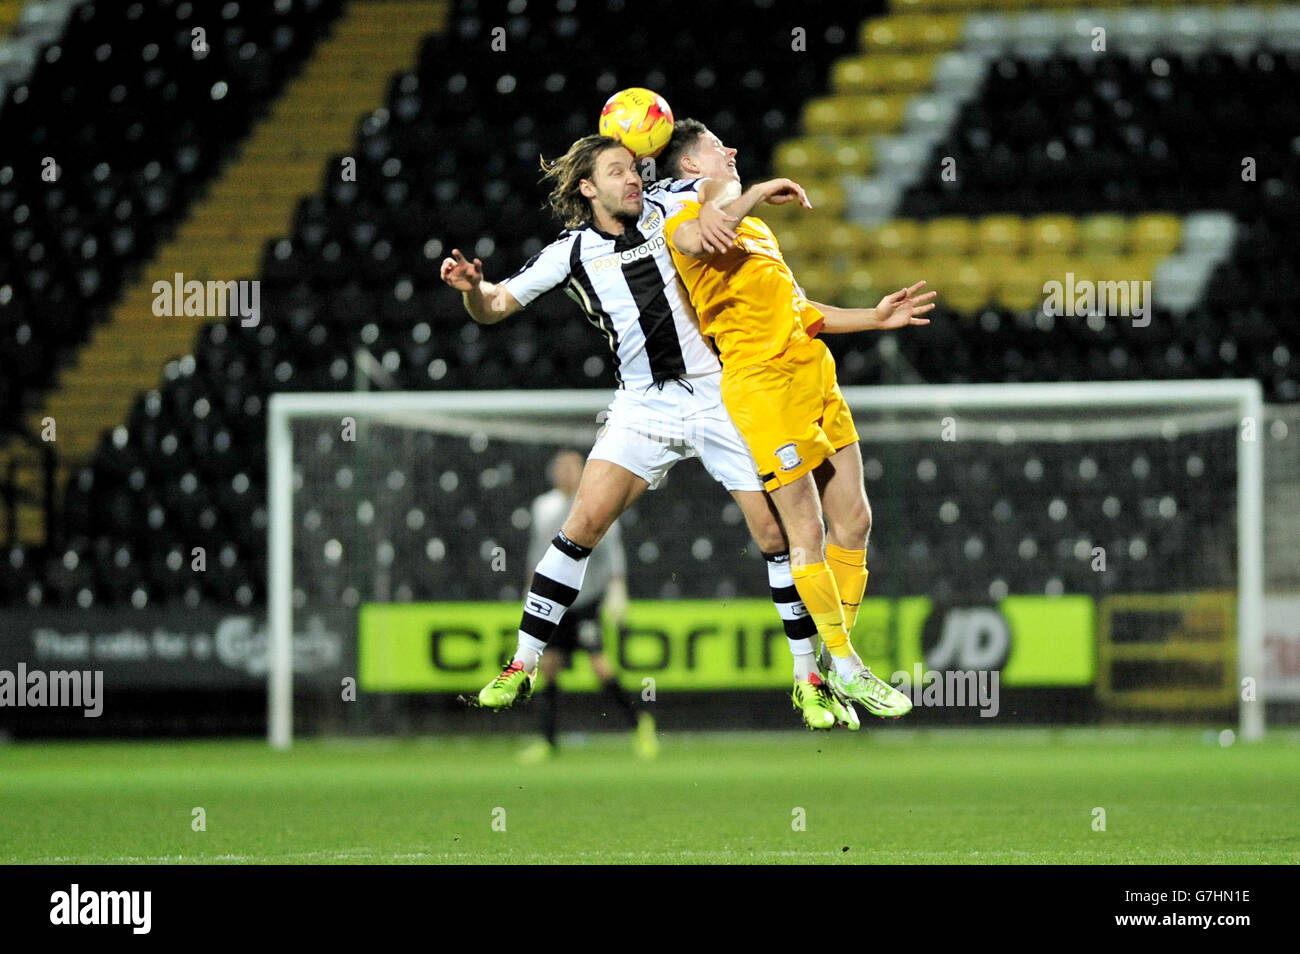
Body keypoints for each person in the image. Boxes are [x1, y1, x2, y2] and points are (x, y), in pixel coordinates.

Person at [440, 134, 855, 730]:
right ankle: (523, 663)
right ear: (588, 188)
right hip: (642, 406)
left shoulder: (669, 205)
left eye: (635, 168)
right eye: (616, 172)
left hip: (717, 391)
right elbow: (498, 305)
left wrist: (742, 190)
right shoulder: (570, 252)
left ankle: (807, 679)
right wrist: (473, 291)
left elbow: (717, 187)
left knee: (772, 534)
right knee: (580, 524)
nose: (633, 178)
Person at [657, 119, 937, 718]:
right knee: (803, 532)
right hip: (761, 387)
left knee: (855, 520)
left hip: (814, 374)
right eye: (715, 147)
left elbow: (799, 308)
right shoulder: (679, 224)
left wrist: (874, 317)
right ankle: (845, 664)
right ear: (689, 166)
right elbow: (705, 228)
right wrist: (753, 188)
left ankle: (840, 660)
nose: (730, 149)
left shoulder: (755, 229)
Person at [518, 449, 657, 761]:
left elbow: (612, 549)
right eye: (560, 467)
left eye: (572, 467)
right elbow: (536, 552)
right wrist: (531, 591)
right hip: (556, 601)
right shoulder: (544, 506)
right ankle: (548, 741)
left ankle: (640, 725)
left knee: (599, 665)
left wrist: (617, 587)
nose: (565, 472)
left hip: (587, 598)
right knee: (549, 667)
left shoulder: (597, 498)